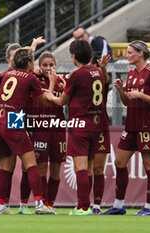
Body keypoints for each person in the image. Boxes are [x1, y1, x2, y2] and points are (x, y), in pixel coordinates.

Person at [102, 40, 150, 216]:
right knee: (119, 162)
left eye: (130, 52)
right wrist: (122, 91)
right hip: (131, 126)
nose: (127, 55)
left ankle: (149, 207)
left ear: (140, 53)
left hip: (147, 126)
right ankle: (119, 205)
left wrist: (141, 94)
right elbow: (127, 102)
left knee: (149, 165)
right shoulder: (131, 74)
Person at [46, 40, 107, 215]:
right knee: (88, 168)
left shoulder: (77, 74)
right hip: (96, 125)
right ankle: (83, 205)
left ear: (73, 56)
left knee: (80, 168)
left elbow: (60, 101)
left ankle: (84, 207)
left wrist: (50, 94)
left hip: (80, 125)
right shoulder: (97, 71)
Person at [0, 47, 55, 215]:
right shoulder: (31, 78)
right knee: (31, 164)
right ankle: (40, 204)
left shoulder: (7, 75)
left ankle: (1, 207)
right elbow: (45, 102)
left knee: (6, 167)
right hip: (14, 118)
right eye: (32, 61)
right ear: (28, 63)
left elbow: (1, 82)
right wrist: (52, 83)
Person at [18, 51, 66, 215]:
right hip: (39, 128)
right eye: (44, 65)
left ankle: (49, 204)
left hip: (58, 129)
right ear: (38, 66)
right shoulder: (34, 80)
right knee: (40, 168)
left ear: (55, 65)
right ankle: (32, 204)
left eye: (51, 65)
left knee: (56, 169)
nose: (48, 68)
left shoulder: (62, 81)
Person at [89, 54, 112, 215]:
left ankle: (96, 205)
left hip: (100, 128)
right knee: (83, 169)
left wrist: (103, 68)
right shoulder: (77, 78)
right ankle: (82, 204)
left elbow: (106, 81)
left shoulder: (100, 80)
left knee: (98, 169)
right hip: (83, 128)